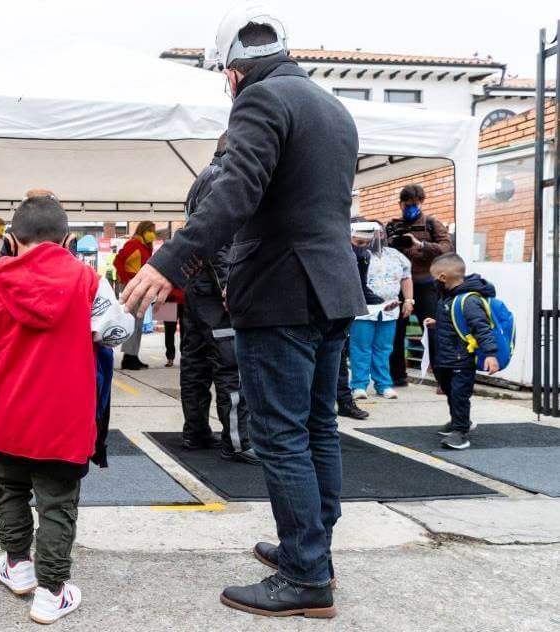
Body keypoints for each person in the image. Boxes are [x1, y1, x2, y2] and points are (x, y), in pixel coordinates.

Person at [121, 6, 365, 618]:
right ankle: (312, 551)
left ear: (233, 73)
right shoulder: (331, 107)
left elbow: (236, 191)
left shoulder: (260, 102)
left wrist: (169, 260)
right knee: (316, 429)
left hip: (283, 291)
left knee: (280, 435)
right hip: (332, 288)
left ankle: (306, 577)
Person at [0, 195, 133, 625]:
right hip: (63, 421)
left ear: (13, 241)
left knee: (10, 489)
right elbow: (116, 331)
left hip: (7, 416)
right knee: (56, 503)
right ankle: (51, 591)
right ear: (68, 239)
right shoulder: (89, 281)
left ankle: (17, 567)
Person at [178, 132, 261, 464]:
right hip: (213, 290)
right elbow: (219, 239)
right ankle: (238, 442)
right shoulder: (224, 178)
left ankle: (195, 432)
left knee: (196, 363)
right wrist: (229, 286)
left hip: (196, 286)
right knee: (230, 366)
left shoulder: (204, 176)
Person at [424, 254, 500, 450]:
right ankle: (458, 421)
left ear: (442, 277)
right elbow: (456, 322)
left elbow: (481, 327)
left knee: (459, 394)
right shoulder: (448, 297)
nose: (433, 282)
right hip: (447, 357)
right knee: (449, 391)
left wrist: (491, 354)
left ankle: (461, 432)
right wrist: (438, 323)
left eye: (434, 278)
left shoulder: (468, 300)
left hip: (461, 358)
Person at [386, 184, 453, 386]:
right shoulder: (393, 225)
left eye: (414, 205)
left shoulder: (432, 223)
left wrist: (421, 245)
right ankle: (397, 376)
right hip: (400, 285)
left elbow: (447, 248)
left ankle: (443, 380)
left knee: (432, 329)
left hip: (426, 283)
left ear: (421, 203)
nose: (410, 209)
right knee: (395, 332)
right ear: (400, 204)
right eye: (407, 205)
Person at [349, 222, 414, 400]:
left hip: (389, 307)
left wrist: (409, 299)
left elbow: (406, 277)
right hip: (364, 307)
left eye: (379, 232)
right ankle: (358, 385)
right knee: (361, 347)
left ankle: (383, 383)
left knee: (384, 348)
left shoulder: (395, 256)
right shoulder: (357, 253)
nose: (377, 236)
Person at [113, 221, 157, 370]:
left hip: (140, 285)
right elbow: (117, 260)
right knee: (133, 322)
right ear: (143, 231)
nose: (153, 233)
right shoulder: (134, 244)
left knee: (138, 323)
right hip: (133, 285)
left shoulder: (144, 247)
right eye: (151, 230)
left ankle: (133, 355)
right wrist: (126, 279)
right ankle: (128, 358)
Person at [162, 289, 184, 367]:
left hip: (185, 300)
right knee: (169, 332)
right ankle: (170, 357)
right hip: (169, 299)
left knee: (186, 331)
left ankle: (185, 357)